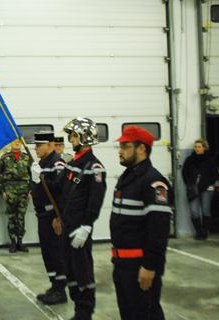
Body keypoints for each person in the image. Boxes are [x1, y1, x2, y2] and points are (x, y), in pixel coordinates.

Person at [111, 126, 173, 320]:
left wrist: (149, 266)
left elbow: (158, 230)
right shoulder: (128, 177)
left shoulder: (154, 182)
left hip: (140, 266)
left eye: (125, 146)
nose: (120, 151)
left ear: (141, 149)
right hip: (122, 264)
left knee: (146, 314)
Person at [57, 118, 106, 320]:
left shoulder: (94, 167)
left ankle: (85, 311)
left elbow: (95, 200)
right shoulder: (74, 162)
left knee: (82, 270)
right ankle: (78, 307)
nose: (71, 139)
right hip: (68, 226)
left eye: (74, 135)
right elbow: (60, 187)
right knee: (70, 269)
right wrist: (40, 175)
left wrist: (87, 225)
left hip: (80, 229)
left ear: (85, 137)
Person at [30, 131, 68, 305]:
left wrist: (58, 216)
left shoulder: (57, 163)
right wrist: (35, 179)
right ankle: (54, 285)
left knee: (56, 253)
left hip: (53, 216)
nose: (35, 148)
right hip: (42, 216)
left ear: (51, 145)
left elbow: (61, 192)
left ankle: (60, 290)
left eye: (39, 145)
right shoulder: (42, 163)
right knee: (47, 253)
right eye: (35, 145)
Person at [0, 139, 31, 253]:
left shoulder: (27, 157)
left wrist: (30, 191)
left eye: (19, 142)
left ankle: (20, 241)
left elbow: (33, 175)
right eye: (15, 142)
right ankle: (13, 242)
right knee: (11, 217)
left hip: (24, 191)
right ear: (10, 143)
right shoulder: (5, 158)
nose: (17, 143)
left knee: (21, 218)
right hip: (10, 191)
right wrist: (3, 192)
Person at [182, 138, 218, 240]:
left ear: (204, 148)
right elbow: (184, 173)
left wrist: (207, 183)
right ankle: (199, 231)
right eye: (196, 147)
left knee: (205, 210)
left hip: (206, 188)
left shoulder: (210, 159)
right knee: (194, 211)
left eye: (199, 147)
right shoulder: (190, 159)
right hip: (192, 188)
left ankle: (205, 232)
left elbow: (215, 175)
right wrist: (189, 183)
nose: (197, 149)